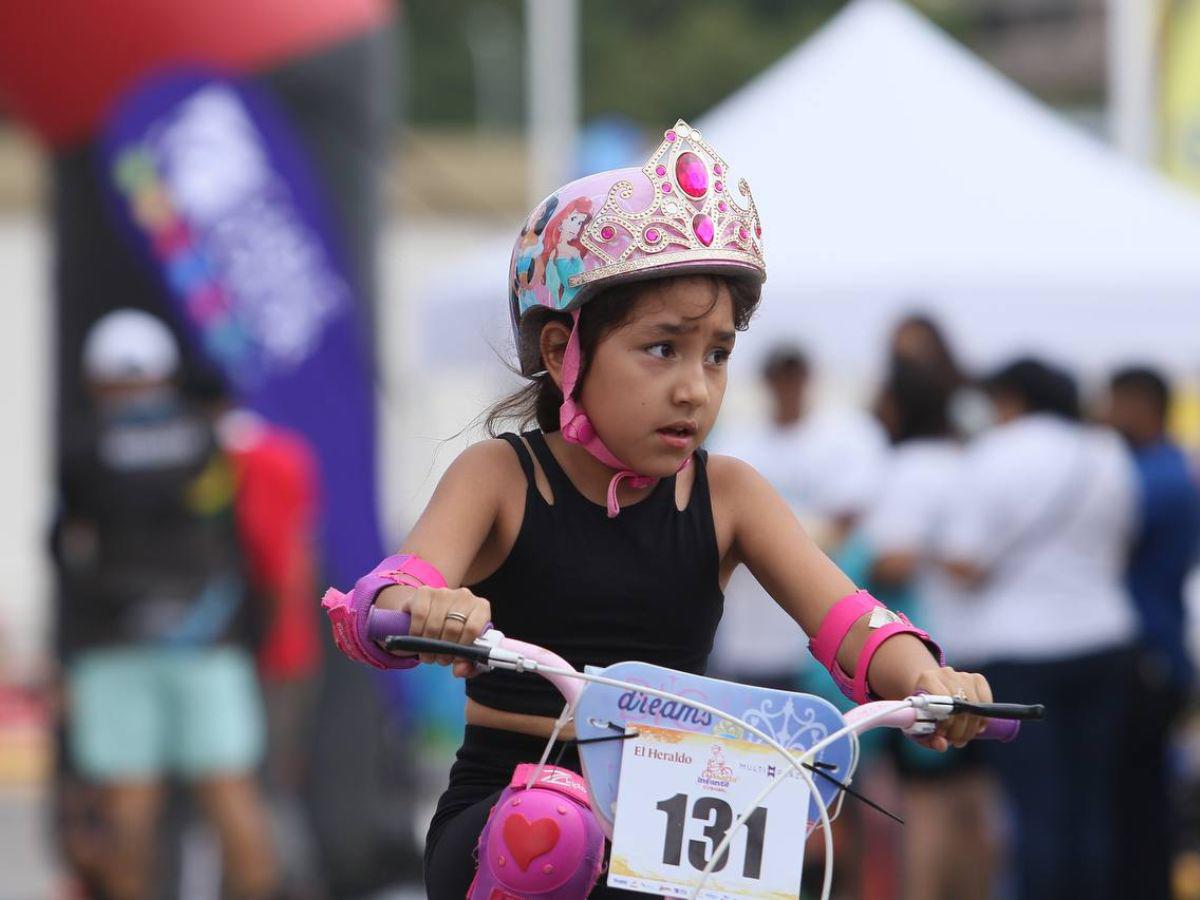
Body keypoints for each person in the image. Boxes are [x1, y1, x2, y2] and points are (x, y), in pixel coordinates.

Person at [322, 121, 995, 899]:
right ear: (561, 353)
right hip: (514, 815)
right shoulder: (500, 477)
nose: (694, 389)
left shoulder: (732, 493)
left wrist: (928, 677)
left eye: (717, 354)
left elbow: (849, 620)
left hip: (675, 818)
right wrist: (421, 605)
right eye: (662, 348)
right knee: (552, 832)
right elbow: (387, 595)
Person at [53, 309, 277, 900]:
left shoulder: (83, 448)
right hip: (206, 638)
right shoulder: (206, 440)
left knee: (128, 806)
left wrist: (65, 656)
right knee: (232, 796)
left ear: (96, 379)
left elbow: (67, 549)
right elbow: (232, 536)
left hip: (115, 644)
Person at [938, 357, 1138, 900]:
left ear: (1011, 398)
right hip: (1105, 635)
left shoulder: (994, 454)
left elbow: (962, 562)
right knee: (1093, 804)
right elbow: (1123, 543)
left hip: (1020, 648)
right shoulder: (1106, 451)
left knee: (1034, 807)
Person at [858, 362, 998, 900]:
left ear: (897, 408)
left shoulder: (909, 468)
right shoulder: (971, 462)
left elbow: (892, 559)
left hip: (928, 660)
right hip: (982, 654)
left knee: (924, 803)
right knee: (973, 800)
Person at [709, 343, 887, 690]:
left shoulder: (846, 433)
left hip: (827, 622)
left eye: (794, 375)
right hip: (747, 632)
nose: (788, 386)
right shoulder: (737, 441)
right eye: (781, 377)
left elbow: (849, 517)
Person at [1107, 365, 1200, 900]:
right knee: (1144, 797)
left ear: (1142, 405)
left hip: (1148, 653)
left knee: (1136, 802)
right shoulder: (1168, 470)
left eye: (1114, 403)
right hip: (1162, 649)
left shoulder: (1149, 479)